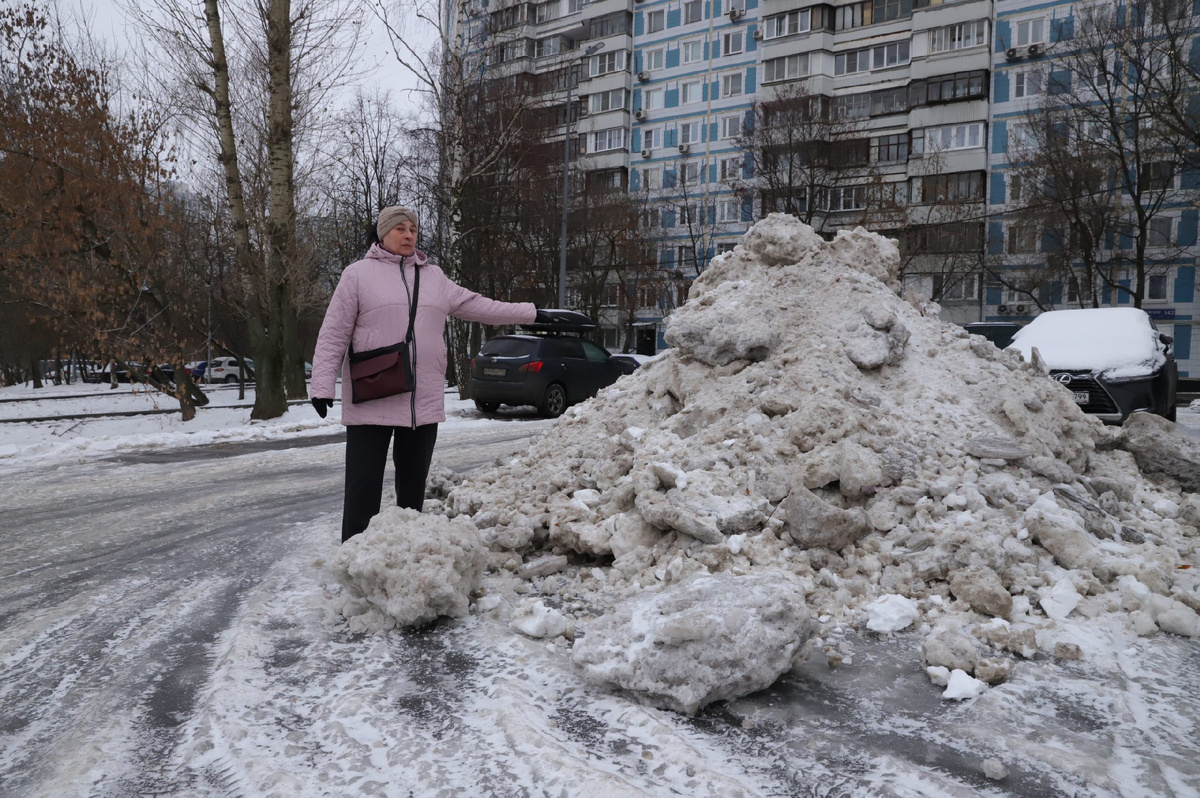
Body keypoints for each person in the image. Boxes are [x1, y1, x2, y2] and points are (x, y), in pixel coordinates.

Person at [310, 206, 542, 542]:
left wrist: (532, 313)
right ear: (383, 233)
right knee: (363, 488)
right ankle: (353, 553)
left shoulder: (434, 278)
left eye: (413, 229)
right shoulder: (357, 275)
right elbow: (334, 332)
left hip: (422, 401)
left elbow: (480, 305)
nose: (408, 235)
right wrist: (321, 385)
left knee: (412, 492)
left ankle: (408, 552)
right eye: (400, 229)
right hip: (372, 394)